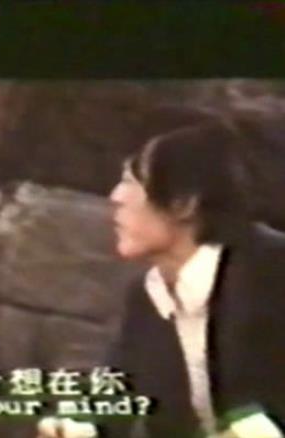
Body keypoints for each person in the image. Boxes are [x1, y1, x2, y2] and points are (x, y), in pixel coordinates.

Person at [37, 119, 285, 437]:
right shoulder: (148, 298)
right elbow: (114, 400)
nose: (116, 196)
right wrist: (78, 427)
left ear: (185, 203)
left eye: (131, 182)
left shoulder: (272, 272)